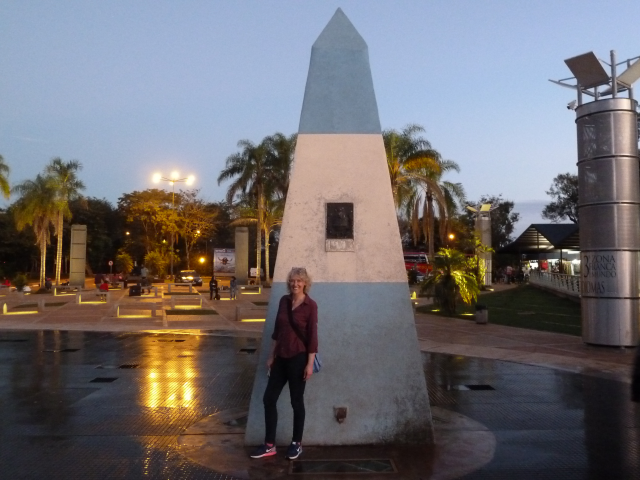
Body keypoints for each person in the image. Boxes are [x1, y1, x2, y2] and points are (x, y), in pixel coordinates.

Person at [250, 267, 318, 461]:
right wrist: (271, 356)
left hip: (299, 359)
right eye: (292, 281)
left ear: (305, 283)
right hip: (281, 358)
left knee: (296, 402)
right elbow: (277, 331)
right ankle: (269, 445)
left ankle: (297, 443)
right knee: (269, 399)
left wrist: (310, 364)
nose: (295, 284)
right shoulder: (283, 301)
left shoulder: (310, 306)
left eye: (298, 281)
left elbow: (313, 336)